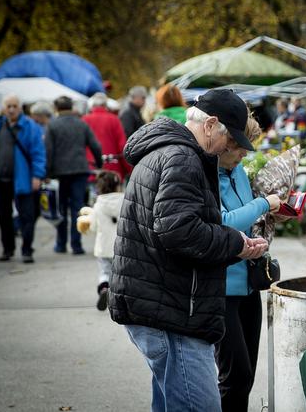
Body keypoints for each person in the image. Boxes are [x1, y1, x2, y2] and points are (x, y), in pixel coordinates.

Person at [109, 89, 269, 412]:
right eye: (230, 138)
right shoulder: (183, 157)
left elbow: (174, 225)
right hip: (172, 311)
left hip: (161, 304)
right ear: (210, 124)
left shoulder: (170, 152)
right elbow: (178, 230)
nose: (228, 147)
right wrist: (235, 243)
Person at [216, 113, 281, 411]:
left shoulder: (237, 169)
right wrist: (264, 203)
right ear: (223, 142)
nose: (244, 154)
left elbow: (246, 218)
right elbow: (225, 222)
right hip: (222, 288)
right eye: (240, 147)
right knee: (235, 376)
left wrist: (271, 216)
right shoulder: (204, 173)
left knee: (247, 374)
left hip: (248, 284)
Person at [0, 94, 46, 263]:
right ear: (4, 108)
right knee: (3, 217)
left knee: (28, 216)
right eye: (8, 106)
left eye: (14, 106)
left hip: (23, 179)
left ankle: (27, 250)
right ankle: (7, 249)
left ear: (20, 108)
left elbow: (38, 153)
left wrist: (37, 175)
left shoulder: (30, 126)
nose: (11, 109)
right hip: (1, 179)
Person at [46, 96, 103, 255]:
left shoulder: (52, 126)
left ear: (57, 108)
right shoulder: (82, 124)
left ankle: (61, 244)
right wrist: (99, 164)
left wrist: (47, 172)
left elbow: (48, 152)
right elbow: (95, 146)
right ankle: (76, 245)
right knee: (77, 208)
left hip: (59, 173)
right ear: (71, 107)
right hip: (80, 170)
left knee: (60, 208)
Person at [77, 170, 123, 311]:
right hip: (121, 247)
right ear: (118, 186)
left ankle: (104, 288)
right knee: (121, 273)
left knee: (105, 271)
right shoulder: (125, 201)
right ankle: (120, 296)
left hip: (103, 248)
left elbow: (94, 227)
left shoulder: (98, 205)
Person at [83, 93, 132, 181]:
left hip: (90, 168)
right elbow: (122, 146)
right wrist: (128, 168)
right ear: (105, 105)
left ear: (92, 105)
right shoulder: (114, 119)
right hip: (112, 169)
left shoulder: (85, 120)